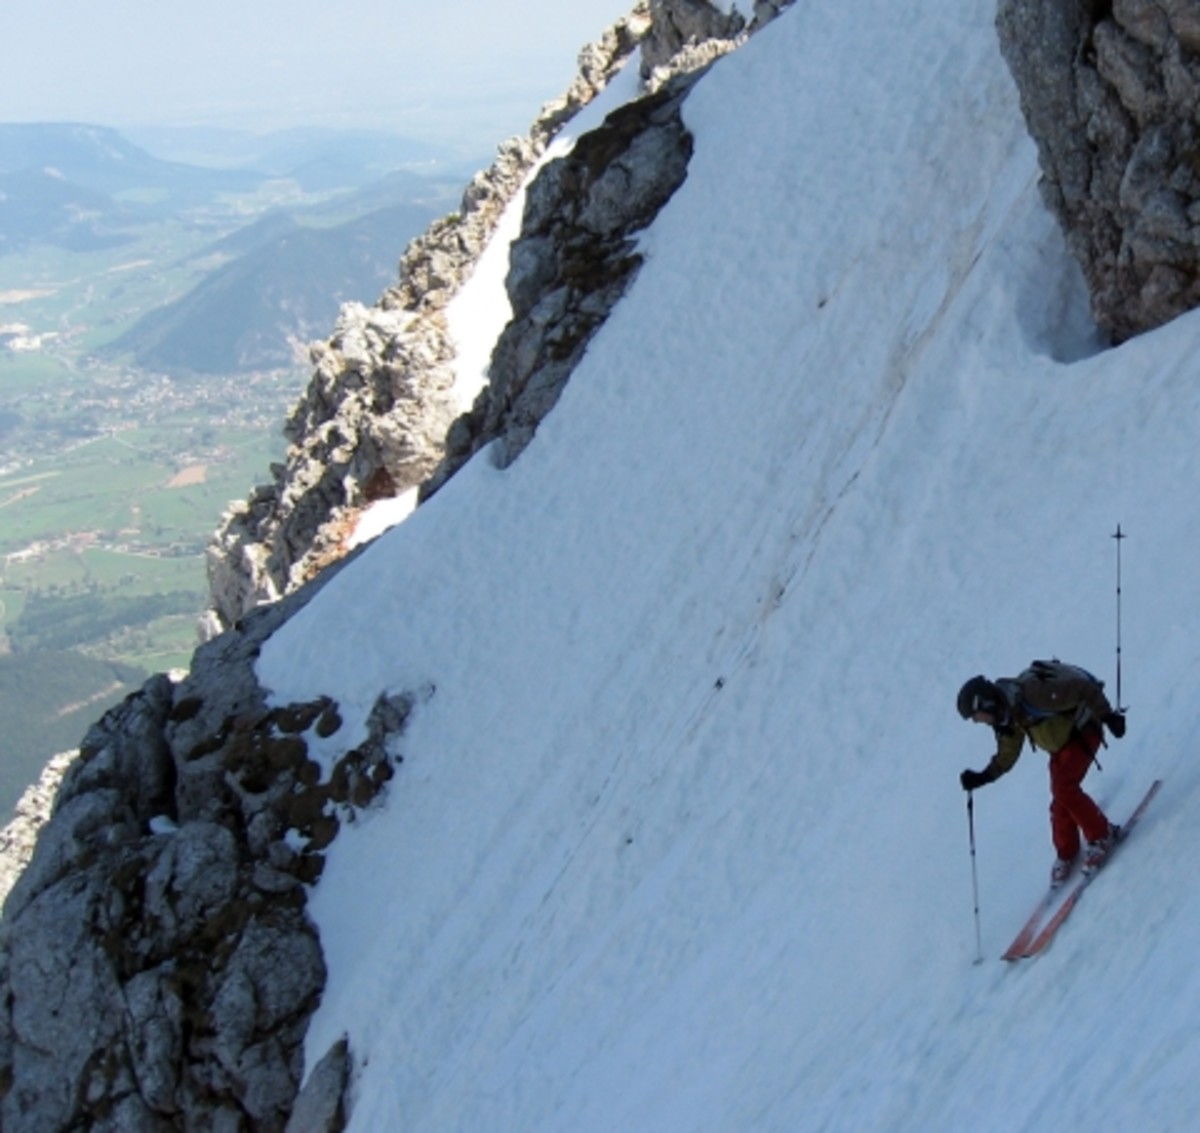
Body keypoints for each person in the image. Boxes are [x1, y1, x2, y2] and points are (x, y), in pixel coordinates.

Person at [957, 662, 1127, 888]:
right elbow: (1008, 751)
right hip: (1062, 745)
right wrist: (983, 776)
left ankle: (1102, 835)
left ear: (984, 703)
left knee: (1064, 788)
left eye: (976, 716)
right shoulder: (1007, 713)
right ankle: (1067, 853)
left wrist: (1108, 717)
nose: (978, 722)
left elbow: (1083, 690)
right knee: (1059, 801)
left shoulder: (1032, 694)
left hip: (1084, 731)